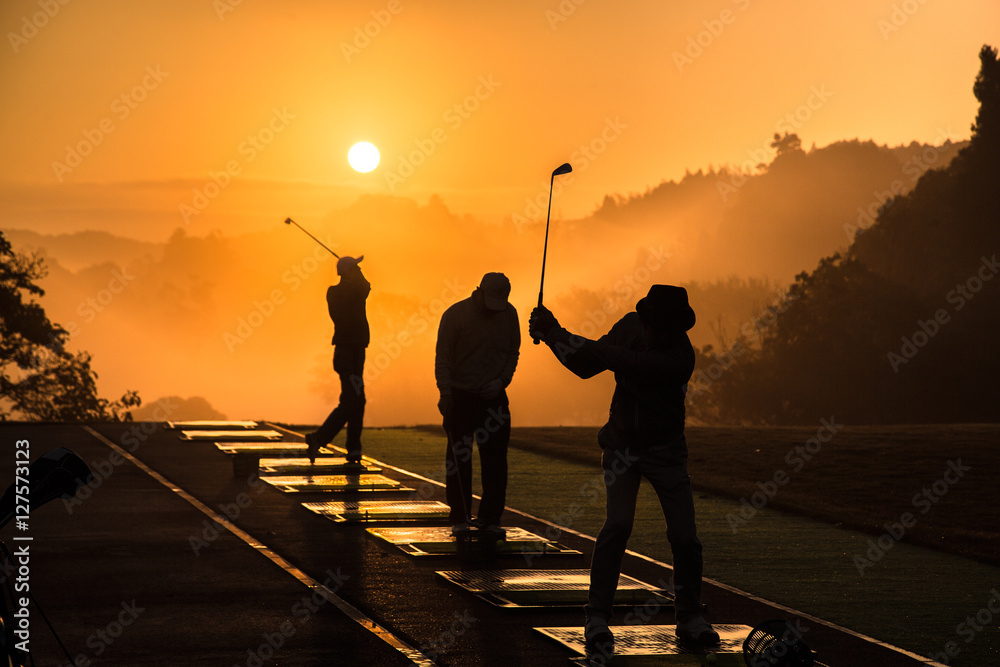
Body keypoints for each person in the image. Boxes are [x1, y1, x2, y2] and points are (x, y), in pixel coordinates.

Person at [529, 284, 719, 654]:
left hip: (667, 452)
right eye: (657, 326)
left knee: (685, 538)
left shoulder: (680, 357)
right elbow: (585, 365)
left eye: (668, 329)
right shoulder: (632, 327)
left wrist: (554, 330)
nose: (660, 334)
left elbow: (617, 359)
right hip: (621, 446)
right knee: (617, 525)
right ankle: (597, 617)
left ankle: (690, 617)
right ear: (647, 321)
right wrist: (552, 338)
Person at [435, 272, 520, 536]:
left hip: (493, 397)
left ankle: (490, 520)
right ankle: (459, 517)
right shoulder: (455, 315)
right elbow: (443, 357)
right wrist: (445, 394)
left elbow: (512, 351)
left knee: (496, 462)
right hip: (460, 397)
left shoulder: (509, 313)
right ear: (479, 292)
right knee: (459, 459)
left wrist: (502, 381)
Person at [306, 256, 369, 465]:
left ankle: (353, 449)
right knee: (352, 400)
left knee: (357, 400)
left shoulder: (348, 290)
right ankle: (320, 438)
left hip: (356, 349)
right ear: (348, 272)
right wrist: (354, 270)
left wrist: (352, 268)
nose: (359, 270)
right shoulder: (338, 292)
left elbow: (365, 287)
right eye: (356, 268)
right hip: (345, 352)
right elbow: (365, 286)